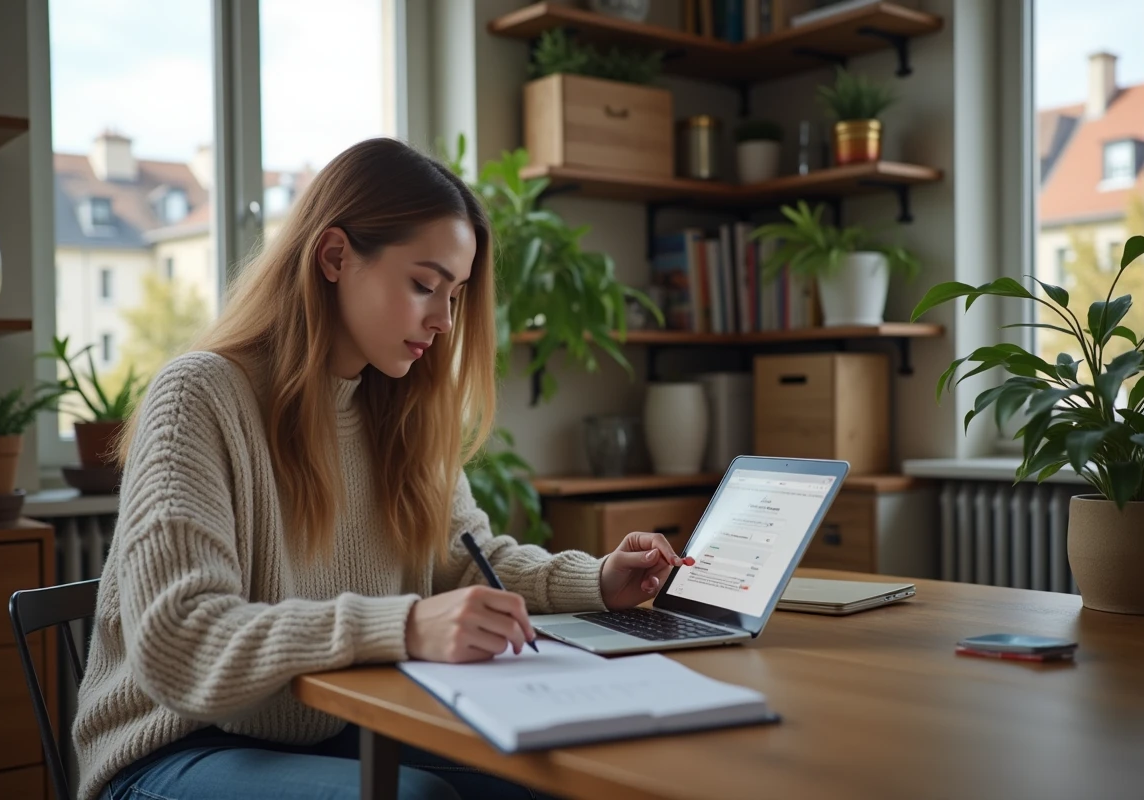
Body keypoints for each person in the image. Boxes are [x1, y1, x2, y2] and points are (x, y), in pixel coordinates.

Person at [73, 137, 693, 800]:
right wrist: (402, 625)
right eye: (424, 285)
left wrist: (597, 581)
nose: (444, 321)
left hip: (324, 727)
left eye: (454, 295)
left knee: (554, 774)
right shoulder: (199, 397)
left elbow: (469, 563)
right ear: (335, 256)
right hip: (173, 748)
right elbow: (179, 639)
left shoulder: (403, 411)